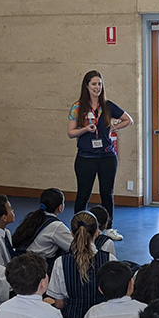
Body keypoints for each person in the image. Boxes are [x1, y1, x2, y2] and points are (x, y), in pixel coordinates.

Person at [67, 70, 133, 240]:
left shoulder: (108, 106)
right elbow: (71, 133)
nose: (97, 87)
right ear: (87, 86)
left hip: (107, 157)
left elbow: (128, 120)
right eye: (94, 84)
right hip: (86, 158)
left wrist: (113, 127)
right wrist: (85, 129)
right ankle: (78, 229)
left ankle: (108, 228)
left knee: (107, 193)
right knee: (83, 194)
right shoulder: (78, 107)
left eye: (99, 84)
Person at [46, 211, 111, 318]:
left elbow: (59, 304)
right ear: (97, 233)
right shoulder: (109, 259)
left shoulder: (60, 262)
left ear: (72, 234)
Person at [11, 188, 71, 274]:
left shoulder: (32, 217)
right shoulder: (56, 226)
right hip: (38, 268)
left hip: (20, 263)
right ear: (60, 208)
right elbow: (73, 246)